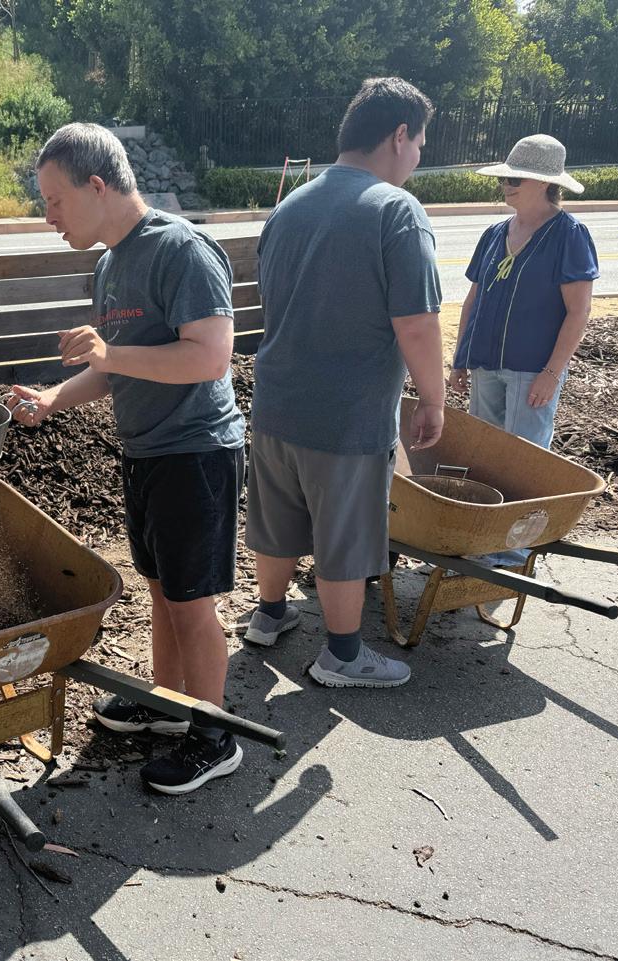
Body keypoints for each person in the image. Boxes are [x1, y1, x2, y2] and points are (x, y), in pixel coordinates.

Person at [6, 123, 246, 795]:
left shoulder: (180, 249)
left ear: (97, 185)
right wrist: (52, 398)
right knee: (162, 590)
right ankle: (167, 702)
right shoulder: (111, 264)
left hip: (196, 452)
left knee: (192, 602)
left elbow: (209, 356)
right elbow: (115, 369)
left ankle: (213, 736)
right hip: (147, 452)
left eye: (55, 200)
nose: (49, 216)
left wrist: (109, 353)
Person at [245, 77, 445, 689]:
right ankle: (342, 655)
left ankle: (268, 615)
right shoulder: (396, 210)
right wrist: (433, 399)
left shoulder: (289, 207)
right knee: (345, 536)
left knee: (277, 520)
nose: (419, 156)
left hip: (276, 404)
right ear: (399, 135)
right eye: (421, 142)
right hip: (347, 414)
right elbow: (417, 323)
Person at [449, 134, 598, 567]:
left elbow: (578, 311)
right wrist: (460, 358)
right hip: (486, 364)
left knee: (524, 462)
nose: (506, 185)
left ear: (544, 182)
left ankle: (513, 553)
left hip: (532, 370)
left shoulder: (569, 235)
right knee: (484, 457)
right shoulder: (495, 233)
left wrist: (552, 373)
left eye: (515, 178)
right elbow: (474, 299)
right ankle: (482, 540)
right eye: (505, 177)